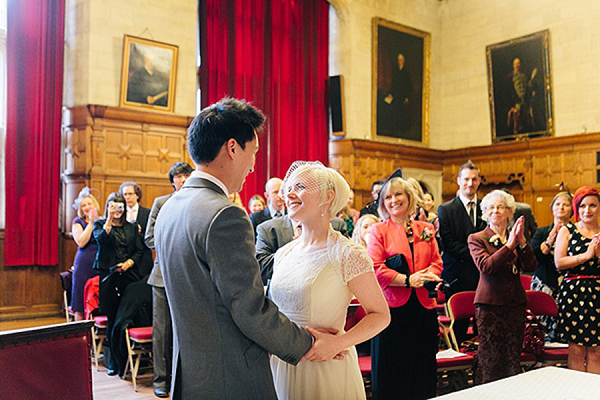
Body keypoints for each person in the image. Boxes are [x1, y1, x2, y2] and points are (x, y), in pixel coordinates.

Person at [154, 98, 338, 399]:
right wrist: (307, 343)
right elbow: (249, 309)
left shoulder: (170, 208)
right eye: (253, 153)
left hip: (191, 375)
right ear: (232, 148)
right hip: (230, 378)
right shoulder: (225, 214)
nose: (253, 166)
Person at [270, 161, 390, 400]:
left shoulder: (347, 254)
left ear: (328, 197)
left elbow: (381, 315)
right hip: (281, 364)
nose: (289, 194)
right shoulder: (284, 253)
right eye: (289, 188)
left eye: (301, 187)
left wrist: (339, 343)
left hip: (323, 367)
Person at [367, 177, 443, 400]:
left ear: (409, 198)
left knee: (422, 368)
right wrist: (409, 280)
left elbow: (437, 262)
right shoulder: (377, 231)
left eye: (398, 194)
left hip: (422, 308)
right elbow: (375, 268)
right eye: (387, 197)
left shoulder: (426, 229)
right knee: (393, 372)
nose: (393, 200)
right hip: (392, 311)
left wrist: (428, 276)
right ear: (382, 203)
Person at [468, 190, 537, 384]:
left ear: (510, 212)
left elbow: (531, 267)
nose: (495, 211)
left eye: (501, 207)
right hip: (490, 305)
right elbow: (486, 266)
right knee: (491, 359)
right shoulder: (477, 238)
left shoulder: (517, 236)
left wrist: (522, 243)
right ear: (485, 213)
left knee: (512, 357)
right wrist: (509, 245)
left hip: (515, 304)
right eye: (491, 207)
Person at [145, 162, 193, 398]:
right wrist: (175, 247)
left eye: (186, 175)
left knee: (184, 330)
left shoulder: (196, 202)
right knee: (162, 332)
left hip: (189, 278)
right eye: (178, 176)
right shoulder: (161, 203)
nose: (182, 179)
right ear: (172, 180)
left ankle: (181, 378)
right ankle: (161, 380)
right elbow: (149, 237)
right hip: (162, 276)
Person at [93, 192, 145, 376]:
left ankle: (131, 360)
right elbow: (101, 241)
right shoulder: (100, 225)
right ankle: (114, 361)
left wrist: (129, 263)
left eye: (120, 206)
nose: (117, 210)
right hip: (109, 277)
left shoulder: (132, 227)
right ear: (108, 207)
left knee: (129, 316)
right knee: (113, 318)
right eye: (113, 206)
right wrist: (108, 218)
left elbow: (140, 250)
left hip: (129, 276)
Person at [438, 160, 486, 346]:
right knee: (459, 326)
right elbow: (448, 243)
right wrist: (479, 255)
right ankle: (458, 367)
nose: (470, 183)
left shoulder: (485, 207)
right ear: (459, 181)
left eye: (474, 179)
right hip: (457, 274)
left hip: (482, 276)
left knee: (482, 325)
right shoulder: (447, 209)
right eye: (466, 179)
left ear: (479, 181)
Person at [554, 186, 600, 374]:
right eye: (582, 206)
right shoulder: (567, 230)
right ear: (576, 209)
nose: (587, 210)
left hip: (598, 292)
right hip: (574, 291)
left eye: (592, 206)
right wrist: (586, 255)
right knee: (577, 349)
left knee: (597, 350)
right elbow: (559, 262)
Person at [255, 214, 348, 286]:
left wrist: (318, 246)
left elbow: (347, 263)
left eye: (300, 188)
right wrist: (295, 249)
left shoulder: (336, 225)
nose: (293, 195)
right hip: (283, 300)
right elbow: (261, 268)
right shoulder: (267, 229)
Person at [530, 191, 573, 342]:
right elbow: (533, 258)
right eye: (558, 204)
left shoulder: (575, 232)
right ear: (552, 208)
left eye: (566, 204)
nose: (561, 207)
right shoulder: (541, 232)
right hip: (544, 282)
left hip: (568, 284)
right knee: (543, 329)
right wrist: (549, 241)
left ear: (572, 210)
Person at [70, 187, 101, 321]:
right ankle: (79, 338)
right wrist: (91, 223)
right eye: (84, 205)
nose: (87, 207)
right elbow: (81, 242)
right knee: (80, 303)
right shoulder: (78, 222)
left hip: (100, 265)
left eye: (89, 203)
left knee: (98, 301)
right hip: (84, 266)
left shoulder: (103, 221)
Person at [119, 181, 153, 278]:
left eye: (130, 194)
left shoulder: (147, 213)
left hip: (143, 261)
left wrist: (139, 233)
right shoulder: (119, 213)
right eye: (125, 194)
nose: (127, 197)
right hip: (124, 259)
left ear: (137, 196)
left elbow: (151, 236)